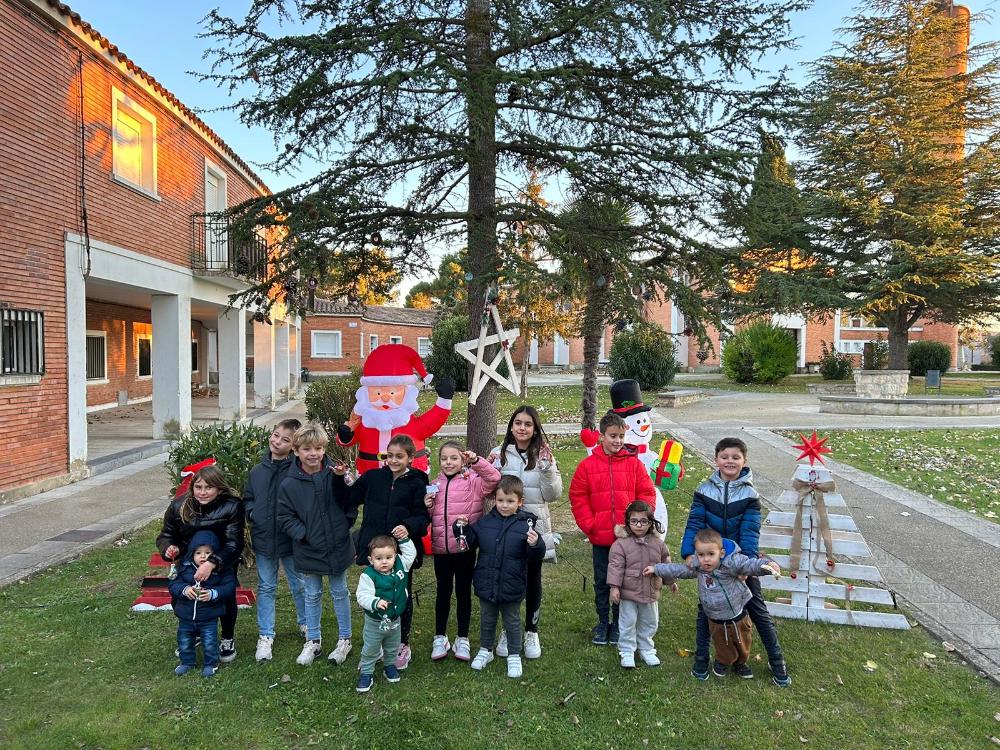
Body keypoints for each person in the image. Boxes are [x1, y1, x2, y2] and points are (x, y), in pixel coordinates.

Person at [679, 437, 791, 686]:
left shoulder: (750, 494)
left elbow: (750, 531)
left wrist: (746, 564)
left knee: (757, 610)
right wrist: (689, 552)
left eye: (736, 457)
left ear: (744, 461)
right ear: (716, 459)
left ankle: (777, 661)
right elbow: (695, 522)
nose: (730, 461)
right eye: (725, 457)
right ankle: (701, 659)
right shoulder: (703, 490)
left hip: (739, 561)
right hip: (711, 560)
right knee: (705, 610)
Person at [646, 528, 781, 680]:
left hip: (738, 612)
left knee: (744, 641)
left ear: (721, 553)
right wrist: (656, 569)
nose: (706, 560)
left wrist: (767, 565)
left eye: (711, 554)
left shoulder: (732, 562)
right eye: (701, 555)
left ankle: (741, 663)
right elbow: (679, 569)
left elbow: (751, 565)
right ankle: (722, 662)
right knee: (723, 644)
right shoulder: (699, 568)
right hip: (715, 616)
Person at [569, 412, 656, 647]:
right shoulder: (588, 466)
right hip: (602, 538)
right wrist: (591, 525)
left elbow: (647, 494)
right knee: (602, 581)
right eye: (612, 436)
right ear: (602, 436)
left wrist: (638, 523)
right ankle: (602, 622)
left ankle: (619, 624)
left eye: (621, 436)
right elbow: (578, 497)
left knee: (625, 582)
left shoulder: (634, 464)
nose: (617, 441)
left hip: (628, 540)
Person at [277, 423, 357, 668]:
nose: (313, 454)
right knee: (311, 594)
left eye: (318, 448)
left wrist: (344, 525)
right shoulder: (288, 483)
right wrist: (304, 534)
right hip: (309, 547)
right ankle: (313, 639)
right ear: (296, 451)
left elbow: (350, 501)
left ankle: (345, 638)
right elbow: (284, 516)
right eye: (307, 449)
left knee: (339, 591)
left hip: (337, 544)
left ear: (324, 449)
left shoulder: (336, 473)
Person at [350, 433, 429, 670]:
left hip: (401, 551)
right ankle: (377, 640)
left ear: (410, 458)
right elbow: (350, 497)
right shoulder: (373, 477)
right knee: (374, 594)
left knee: (400, 593)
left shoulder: (418, 480)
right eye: (389, 455)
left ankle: (401, 643)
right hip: (375, 550)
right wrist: (339, 479)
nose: (393, 460)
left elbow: (423, 517)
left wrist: (408, 526)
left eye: (399, 456)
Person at [489, 405, 562, 660]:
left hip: (533, 527)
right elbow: (488, 488)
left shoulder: (544, 455)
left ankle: (531, 629)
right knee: (509, 578)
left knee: (532, 579)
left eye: (528, 424)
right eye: (518, 423)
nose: (522, 428)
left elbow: (553, 494)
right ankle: (509, 630)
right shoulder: (498, 455)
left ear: (535, 429)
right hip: (505, 528)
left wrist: (547, 468)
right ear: (511, 426)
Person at [455, 475, 545, 679]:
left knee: (512, 621)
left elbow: (535, 557)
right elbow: (469, 542)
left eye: (510, 501)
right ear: (494, 500)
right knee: (487, 619)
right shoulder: (485, 523)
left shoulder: (526, 526)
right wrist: (461, 528)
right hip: (486, 581)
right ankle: (486, 650)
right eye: (500, 500)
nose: (504, 505)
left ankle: (514, 654)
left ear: (520, 502)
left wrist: (535, 544)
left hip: (511, 583)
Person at [157, 463, 244, 664]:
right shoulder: (178, 506)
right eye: (198, 487)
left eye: (208, 487)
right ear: (192, 487)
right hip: (188, 561)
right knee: (182, 595)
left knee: (225, 597)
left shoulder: (232, 505)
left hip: (223, 560)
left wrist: (212, 562)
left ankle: (227, 638)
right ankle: (192, 632)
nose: (203, 492)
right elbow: (167, 535)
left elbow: (234, 543)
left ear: (219, 488)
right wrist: (169, 548)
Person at [426, 441, 500, 662]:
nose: (449, 462)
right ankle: (440, 637)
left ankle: (463, 638)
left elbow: (494, 479)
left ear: (462, 460)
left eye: (454, 458)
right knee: (443, 592)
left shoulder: (473, 481)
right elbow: (430, 516)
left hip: (464, 548)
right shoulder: (433, 484)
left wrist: (477, 461)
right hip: (441, 549)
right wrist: (427, 504)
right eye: (445, 459)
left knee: (463, 593)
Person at [243, 418, 307, 662]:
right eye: (275, 435)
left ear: (293, 446)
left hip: (291, 539)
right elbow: (249, 498)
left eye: (285, 439)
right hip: (263, 539)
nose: (277, 441)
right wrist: (252, 513)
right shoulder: (258, 471)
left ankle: (306, 625)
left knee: (298, 583)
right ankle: (266, 635)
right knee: (266, 586)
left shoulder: (297, 470)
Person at [607, 500, 675, 669]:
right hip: (628, 593)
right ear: (628, 522)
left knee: (650, 621)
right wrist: (614, 587)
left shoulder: (658, 544)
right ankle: (627, 651)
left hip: (650, 591)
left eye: (643, 521)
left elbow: (665, 563)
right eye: (634, 521)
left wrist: (671, 581)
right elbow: (615, 567)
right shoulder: (621, 545)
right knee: (627, 621)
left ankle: (646, 649)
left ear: (651, 522)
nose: (639, 525)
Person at [168, 530, 236, 677]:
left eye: (207, 552)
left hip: (208, 616)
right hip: (185, 616)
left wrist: (213, 593)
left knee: (209, 641)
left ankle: (211, 664)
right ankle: (186, 662)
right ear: (192, 554)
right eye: (198, 553)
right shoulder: (184, 568)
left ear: (215, 554)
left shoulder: (220, 571)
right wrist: (185, 590)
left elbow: (229, 586)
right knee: (184, 641)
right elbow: (173, 584)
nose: (203, 556)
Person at [355, 534, 418, 693]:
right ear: (371, 560)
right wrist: (375, 602)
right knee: (371, 647)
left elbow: (411, 553)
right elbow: (362, 595)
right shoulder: (368, 575)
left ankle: (389, 665)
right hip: (375, 621)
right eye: (379, 558)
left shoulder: (401, 566)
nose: (384, 561)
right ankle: (366, 672)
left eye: (389, 557)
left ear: (395, 557)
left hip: (395, 619)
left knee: (392, 646)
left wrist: (404, 540)